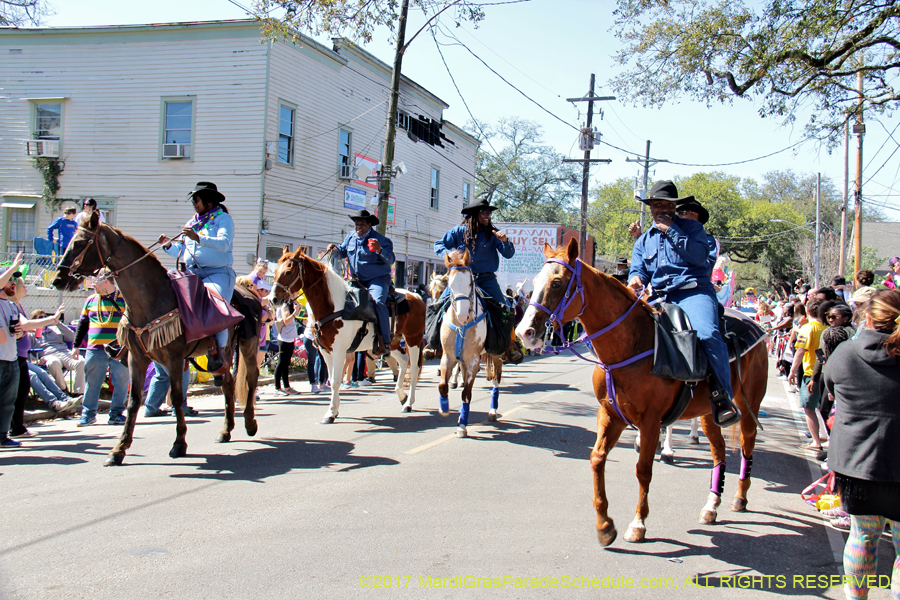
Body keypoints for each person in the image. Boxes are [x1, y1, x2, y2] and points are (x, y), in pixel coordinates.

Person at [627, 180, 741, 427]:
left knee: (709, 334)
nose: (663, 209)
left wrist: (672, 230)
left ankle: (722, 398)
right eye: (658, 205)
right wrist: (635, 278)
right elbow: (638, 270)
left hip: (693, 293)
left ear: (674, 206)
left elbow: (700, 258)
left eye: (668, 204)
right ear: (651, 208)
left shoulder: (692, 229)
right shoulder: (643, 240)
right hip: (658, 297)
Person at [822, 289, 900, 597]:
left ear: (867, 317)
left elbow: (828, 394)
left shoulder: (845, 353)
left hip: (858, 467)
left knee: (863, 535)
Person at [159, 181, 236, 372]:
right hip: (192, 273)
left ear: (208, 201)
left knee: (217, 305)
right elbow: (183, 250)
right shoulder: (192, 222)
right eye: (193, 199)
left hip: (217, 273)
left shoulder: (223, 219)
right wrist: (169, 246)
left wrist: (198, 237)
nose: (194, 203)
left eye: (196, 199)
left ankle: (219, 353)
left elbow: (224, 243)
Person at [1, 275, 68, 438]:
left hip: (15, 356)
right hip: (10, 357)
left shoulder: (13, 305)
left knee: (15, 396)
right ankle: (13, 428)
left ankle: (11, 431)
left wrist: (52, 319)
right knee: (12, 395)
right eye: (16, 283)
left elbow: (24, 326)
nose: (23, 287)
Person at [326, 209, 394, 356]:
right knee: (340, 300)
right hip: (356, 280)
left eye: (362, 224)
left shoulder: (382, 240)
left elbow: (391, 260)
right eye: (356, 224)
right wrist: (334, 249)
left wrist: (379, 250)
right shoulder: (351, 237)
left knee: (378, 302)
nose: (358, 227)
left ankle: (385, 341)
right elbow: (342, 252)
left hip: (377, 279)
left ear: (369, 224)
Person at [433, 197, 515, 307]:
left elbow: (508, 254)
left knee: (503, 309)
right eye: (484, 212)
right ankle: (430, 324)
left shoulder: (493, 234)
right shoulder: (459, 231)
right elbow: (438, 245)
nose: (488, 216)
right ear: (475, 213)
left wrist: (505, 241)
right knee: (437, 306)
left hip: (486, 280)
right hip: (462, 276)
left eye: (489, 213)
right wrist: (447, 254)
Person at [75, 271, 129, 427]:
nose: (92, 285)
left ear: (106, 281)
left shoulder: (124, 298)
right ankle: (88, 414)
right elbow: (83, 324)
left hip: (119, 349)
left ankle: (116, 414)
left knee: (121, 381)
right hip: (95, 348)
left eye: (96, 281)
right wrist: (76, 345)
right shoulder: (90, 300)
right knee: (92, 382)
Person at [789, 296, 827, 450]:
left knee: (809, 408)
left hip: (811, 372)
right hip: (827, 373)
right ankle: (824, 435)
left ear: (808, 311)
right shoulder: (827, 327)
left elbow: (800, 351)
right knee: (823, 407)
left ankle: (816, 441)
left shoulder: (807, 328)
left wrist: (792, 371)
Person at [0, 254, 24, 448]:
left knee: (8, 402)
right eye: (10, 280)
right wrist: (13, 266)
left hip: (11, 359)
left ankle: (2, 435)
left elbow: (14, 336)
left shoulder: (11, 305)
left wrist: (18, 333)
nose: (14, 283)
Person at [273, 300, 301, 396]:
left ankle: (287, 387)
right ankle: (277, 387)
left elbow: (293, 318)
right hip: (284, 338)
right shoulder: (284, 305)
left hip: (290, 338)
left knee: (286, 363)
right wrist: (295, 311)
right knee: (281, 363)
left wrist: (298, 309)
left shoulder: (289, 304)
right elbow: (286, 321)